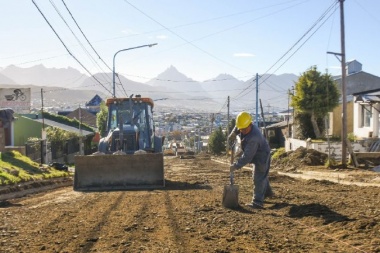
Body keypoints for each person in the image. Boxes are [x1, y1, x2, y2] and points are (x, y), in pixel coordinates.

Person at [228, 111, 273, 209]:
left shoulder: (254, 137)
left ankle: (257, 202)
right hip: (255, 152)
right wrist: (232, 135)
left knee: (258, 177)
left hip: (262, 156)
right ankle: (268, 193)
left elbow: (247, 157)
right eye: (241, 129)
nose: (242, 131)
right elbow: (237, 128)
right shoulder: (243, 125)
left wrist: (236, 165)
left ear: (250, 124)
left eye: (244, 129)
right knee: (262, 175)